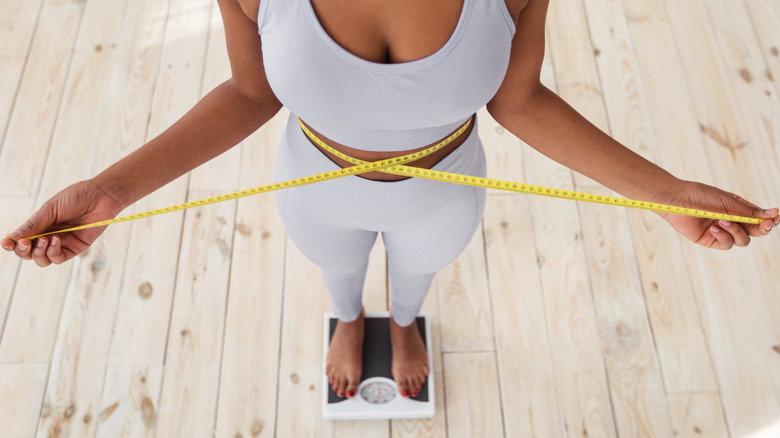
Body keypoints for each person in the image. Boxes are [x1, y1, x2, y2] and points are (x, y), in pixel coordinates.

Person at [2, 0, 778, 402]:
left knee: (416, 282)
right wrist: (108, 193)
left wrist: (666, 194)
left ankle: (402, 326)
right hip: (317, 184)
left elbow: (521, 101)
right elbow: (249, 90)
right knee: (338, 279)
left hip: (446, 191)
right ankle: (349, 321)